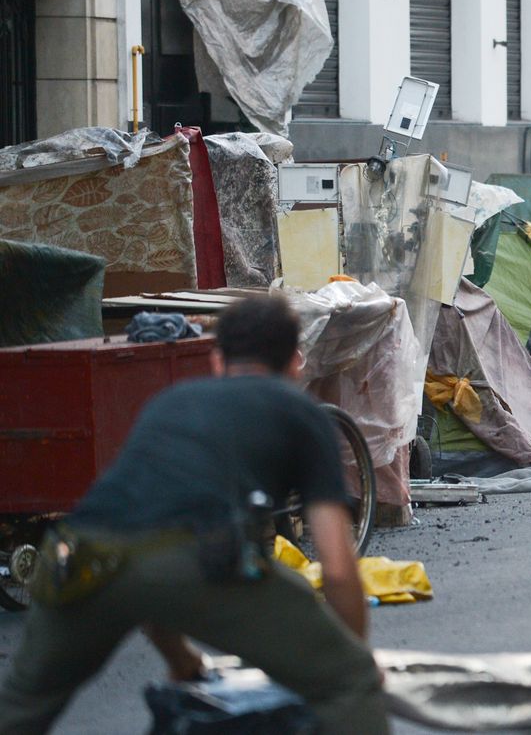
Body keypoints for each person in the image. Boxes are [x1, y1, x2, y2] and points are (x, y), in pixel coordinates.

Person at [0, 295, 389, 734]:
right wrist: (351, 657)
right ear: (295, 363)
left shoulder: (171, 402)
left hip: (76, 552)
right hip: (196, 556)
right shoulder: (303, 415)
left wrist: (181, 661)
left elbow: (136, 554)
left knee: (20, 707)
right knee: (351, 682)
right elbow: (337, 568)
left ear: (218, 360)